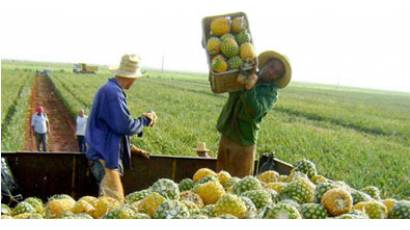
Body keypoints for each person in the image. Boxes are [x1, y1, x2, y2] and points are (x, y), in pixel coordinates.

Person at [85, 54, 157, 202]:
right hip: (105, 159)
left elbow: (111, 129)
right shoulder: (113, 93)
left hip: (104, 157)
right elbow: (124, 126)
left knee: (108, 205)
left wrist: (131, 147)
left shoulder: (110, 90)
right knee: (114, 207)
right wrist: (145, 120)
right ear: (131, 77)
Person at [216, 50, 292, 177]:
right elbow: (227, 85)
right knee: (220, 176)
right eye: (272, 66)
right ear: (266, 64)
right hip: (227, 132)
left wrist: (249, 88)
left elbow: (255, 112)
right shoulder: (247, 73)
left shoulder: (271, 93)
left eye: (276, 73)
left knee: (238, 182)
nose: (271, 72)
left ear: (277, 77)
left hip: (244, 140)